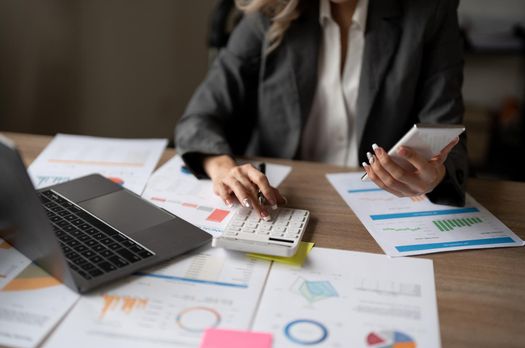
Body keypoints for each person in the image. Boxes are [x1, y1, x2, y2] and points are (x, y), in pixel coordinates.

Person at [175, 0, 468, 220]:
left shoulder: (430, 11)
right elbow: (199, 117)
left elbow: (447, 134)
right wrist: (224, 170)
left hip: (382, 208)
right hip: (285, 201)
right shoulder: (270, 11)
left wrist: (435, 177)